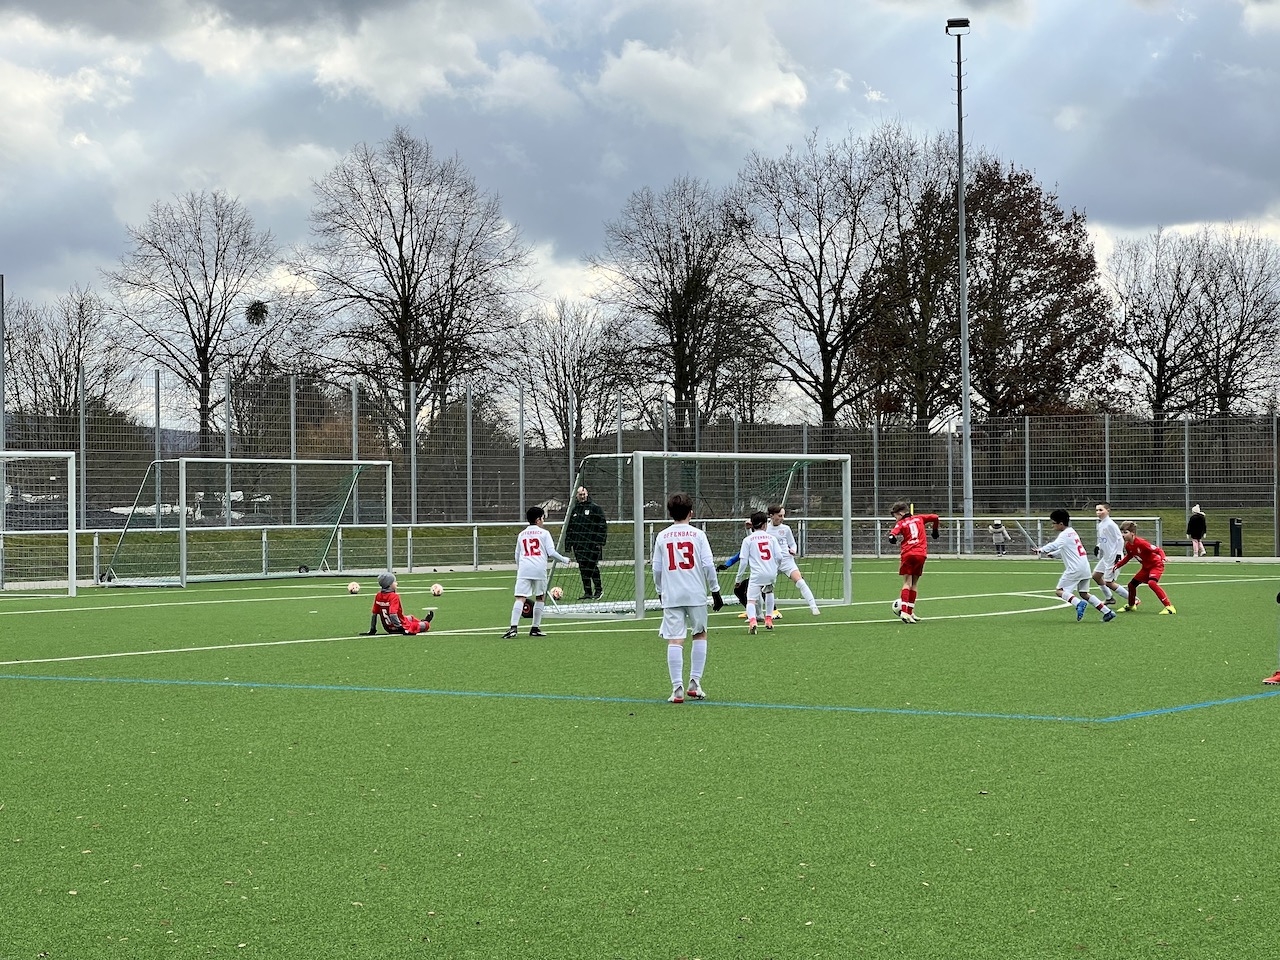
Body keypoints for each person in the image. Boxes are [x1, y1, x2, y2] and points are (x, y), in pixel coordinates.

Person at [652, 491, 723, 703]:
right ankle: (694, 683)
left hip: (672, 595)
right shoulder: (698, 535)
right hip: (695, 594)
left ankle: (677, 689)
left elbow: (656, 569)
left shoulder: (662, 536)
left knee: (675, 639)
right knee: (699, 634)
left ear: (670, 513)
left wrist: (660, 590)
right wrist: (715, 590)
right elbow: (708, 565)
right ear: (691, 513)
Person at [1035, 508, 1116, 622]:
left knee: (1060, 591)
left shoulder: (1064, 535)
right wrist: (1054, 554)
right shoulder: (1072, 532)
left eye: (1054, 523)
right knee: (1084, 593)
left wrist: (1041, 549)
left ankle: (1078, 603)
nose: (1052, 526)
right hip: (1085, 567)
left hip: (1075, 569)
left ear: (1061, 523)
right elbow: (1066, 547)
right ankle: (1107, 612)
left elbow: (1055, 544)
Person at [503, 505, 572, 638]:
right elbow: (551, 552)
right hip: (539, 569)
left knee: (520, 598)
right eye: (542, 518)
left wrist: (521, 568)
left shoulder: (521, 534)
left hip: (524, 569)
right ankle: (535, 628)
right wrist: (564, 559)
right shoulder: (544, 533)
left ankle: (513, 628)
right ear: (538, 520)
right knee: (540, 597)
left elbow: (517, 555)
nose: (543, 521)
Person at [733, 511, 797, 634]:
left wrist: (738, 579)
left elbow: (743, 561)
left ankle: (753, 621)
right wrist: (774, 567)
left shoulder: (748, 540)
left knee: (751, 600)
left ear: (753, 524)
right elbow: (779, 556)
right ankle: (768, 620)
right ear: (764, 525)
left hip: (757, 574)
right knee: (769, 592)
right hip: (771, 573)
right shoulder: (772, 538)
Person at [888, 500, 940, 624]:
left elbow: (893, 534)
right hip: (921, 554)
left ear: (900, 513)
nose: (895, 519)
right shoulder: (920, 518)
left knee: (907, 582)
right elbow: (935, 517)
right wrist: (935, 531)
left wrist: (892, 538)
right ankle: (910, 612)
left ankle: (904, 612)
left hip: (908, 554)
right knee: (914, 584)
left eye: (895, 516)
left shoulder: (901, 523)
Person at [1116, 520, 1176, 614]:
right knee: (1131, 585)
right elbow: (1128, 557)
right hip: (1146, 568)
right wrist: (1117, 565)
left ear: (1132, 533)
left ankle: (1169, 607)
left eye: (1125, 532)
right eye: (1122, 532)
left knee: (1152, 583)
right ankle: (1131, 605)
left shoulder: (1141, 543)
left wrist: (1163, 557)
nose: (1123, 535)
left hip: (1156, 565)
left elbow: (1158, 550)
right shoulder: (1128, 546)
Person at [564, 485, 608, 599]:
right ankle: (587, 592)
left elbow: (602, 525)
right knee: (583, 568)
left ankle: (598, 590)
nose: (582, 496)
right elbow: (570, 528)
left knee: (592, 567)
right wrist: (568, 544)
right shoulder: (574, 510)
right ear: (576, 496)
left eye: (584, 494)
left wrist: (600, 541)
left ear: (587, 494)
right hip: (579, 546)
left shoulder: (595, 508)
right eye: (580, 495)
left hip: (592, 545)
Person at [364, 573, 435, 635]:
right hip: (400, 626)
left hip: (388, 628)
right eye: (394, 582)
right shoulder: (394, 596)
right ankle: (426, 622)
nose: (396, 583)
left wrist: (372, 629)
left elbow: (374, 614)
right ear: (389, 584)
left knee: (410, 617)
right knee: (424, 625)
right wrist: (400, 628)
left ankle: (421, 621)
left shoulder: (378, 595)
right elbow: (392, 614)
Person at [1091, 502, 1132, 607]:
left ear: (1108, 511)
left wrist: (1118, 554)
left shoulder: (1110, 524)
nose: (1098, 512)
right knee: (1096, 576)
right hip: (1106, 556)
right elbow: (1105, 539)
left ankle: (1133, 599)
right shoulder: (1101, 524)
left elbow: (1120, 539)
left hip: (1113, 557)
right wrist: (1098, 546)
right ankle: (1109, 598)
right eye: (1097, 510)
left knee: (1109, 582)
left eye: (1101, 510)